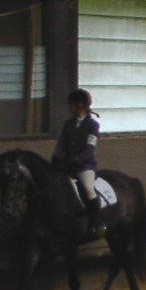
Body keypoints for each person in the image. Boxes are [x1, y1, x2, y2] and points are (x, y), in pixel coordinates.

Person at [52, 88, 105, 237]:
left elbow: (89, 149)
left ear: (80, 105)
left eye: (72, 104)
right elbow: (62, 143)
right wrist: (56, 155)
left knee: (88, 188)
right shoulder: (69, 124)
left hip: (84, 166)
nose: (69, 107)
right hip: (66, 163)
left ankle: (97, 221)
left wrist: (75, 160)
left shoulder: (93, 125)